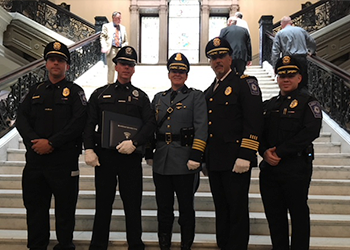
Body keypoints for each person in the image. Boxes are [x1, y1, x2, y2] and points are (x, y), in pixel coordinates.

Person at [16, 41, 87, 250]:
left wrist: (52, 143)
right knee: (35, 209)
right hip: (36, 162)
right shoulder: (34, 91)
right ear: (46, 64)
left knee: (65, 210)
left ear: (68, 66)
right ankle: (37, 246)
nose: (56, 63)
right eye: (52, 59)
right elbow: (21, 119)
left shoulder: (75, 92)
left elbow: (79, 122)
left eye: (61, 60)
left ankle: (65, 245)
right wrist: (34, 143)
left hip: (63, 162)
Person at [84, 46, 156, 250]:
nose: (127, 68)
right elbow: (89, 124)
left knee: (133, 205)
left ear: (134, 69)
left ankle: (135, 244)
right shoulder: (100, 94)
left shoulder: (141, 97)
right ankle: (98, 245)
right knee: (103, 204)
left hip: (130, 158)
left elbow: (150, 124)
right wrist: (89, 149)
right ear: (116, 66)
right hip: (105, 157)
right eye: (123, 63)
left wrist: (135, 142)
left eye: (131, 65)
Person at [204, 37, 263, 250]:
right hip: (216, 161)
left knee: (237, 209)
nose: (217, 60)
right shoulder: (210, 91)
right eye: (213, 57)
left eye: (221, 56)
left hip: (236, 160)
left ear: (230, 58)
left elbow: (254, 121)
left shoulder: (245, 83)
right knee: (221, 208)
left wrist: (246, 154)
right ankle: (223, 245)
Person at [259, 55, 322, 250]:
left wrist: (280, 152)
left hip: (296, 167)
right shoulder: (269, 105)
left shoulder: (308, 103)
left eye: (290, 75)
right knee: (274, 216)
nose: (285, 79)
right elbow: (258, 132)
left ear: (299, 78)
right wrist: (263, 152)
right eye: (281, 75)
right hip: (270, 170)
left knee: (298, 215)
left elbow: (311, 131)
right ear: (277, 78)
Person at [146, 53, 208, 250]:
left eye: (181, 71)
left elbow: (201, 127)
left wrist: (196, 155)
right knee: (163, 208)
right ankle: (164, 244)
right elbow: (150, 127)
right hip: (162, 161)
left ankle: (185, 245)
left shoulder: (196, 96)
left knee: (186, 208)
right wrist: (148, 152)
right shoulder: (158, 98)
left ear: (187, 75)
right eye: (174, 70)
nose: (177, 74)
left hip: (185, 161)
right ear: (169, 73)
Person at [271, 16, 316, 89]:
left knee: (290, 80)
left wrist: (275, 66)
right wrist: (312, 51)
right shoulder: (301, 30)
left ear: (282, 24)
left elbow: (275, 51)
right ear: (291, 23)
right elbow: (312, 42)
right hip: (302, 59)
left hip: (289, 61)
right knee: (303, 80)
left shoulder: (280, 33)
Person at [100, 11, 128, 84]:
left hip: (120, 49)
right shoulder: (107, 26)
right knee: (111, 68)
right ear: (113, 18)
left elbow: (125, 40)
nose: (120, 20)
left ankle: (120, 84)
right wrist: (104, 46)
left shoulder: (123, 28)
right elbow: (102, 37)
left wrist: (124, 48)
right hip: (111, 49)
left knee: (121, 68)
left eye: (120, 18)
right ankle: (110, 85)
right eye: (118, 18)